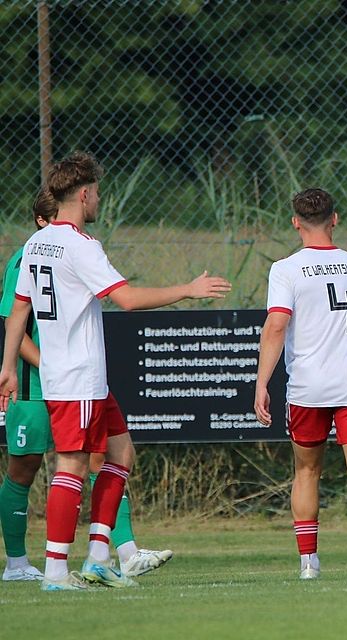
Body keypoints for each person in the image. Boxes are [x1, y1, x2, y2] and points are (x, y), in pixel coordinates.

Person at [0, 151, 230, 591]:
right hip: (78, 375)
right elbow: (126, 299)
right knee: (71, 464)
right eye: (98, 194)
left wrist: (9, 366)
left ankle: (100, 557)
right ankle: (53, 572)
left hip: (84, 379)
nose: (99, 201)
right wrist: (188, 289)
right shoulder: (80, 245)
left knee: (121, 453)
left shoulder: (36, 243)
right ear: (83, 194)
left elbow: (19, 309)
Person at [0, 188, 172, 581]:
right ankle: (27, 565)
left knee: (115, 453)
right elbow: (14, 316)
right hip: (44, 382)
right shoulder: (32, 254)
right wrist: (26, 366)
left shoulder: (57, 247)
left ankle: (114, 554)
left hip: (80, 377)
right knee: (37, 467)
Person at [254, 188, 347, 580]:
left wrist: (262, 383)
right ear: (335, 219)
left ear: (296, 223)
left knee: (307, 472)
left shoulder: (286, 268)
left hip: (308, 387)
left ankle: (309, 562)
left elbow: (277, 326)